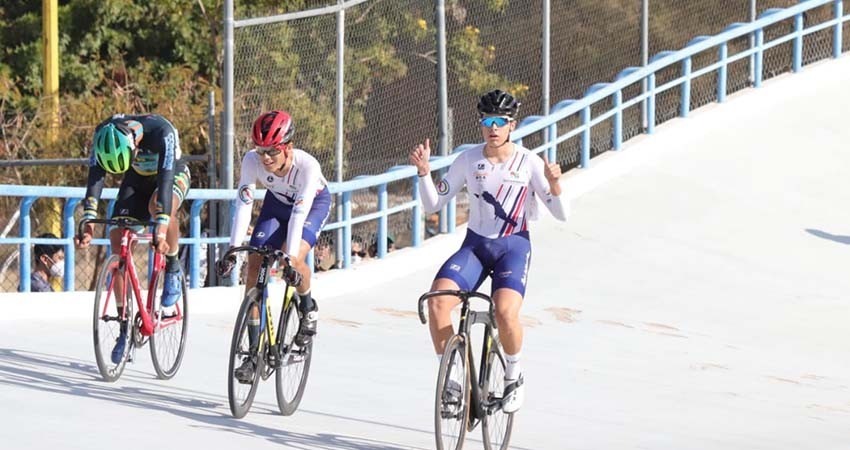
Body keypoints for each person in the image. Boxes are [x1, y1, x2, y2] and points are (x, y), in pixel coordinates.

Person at [409, 89, 568, 413]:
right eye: (486, 121)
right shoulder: (468, 159)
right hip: (476, 246)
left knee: (505, 311)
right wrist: (424, 174)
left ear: (512, 125)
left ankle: (513, 374)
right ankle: (453, 380)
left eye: (499, 122)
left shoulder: (528, 162)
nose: (492, 128)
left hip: (513, 247)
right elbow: (432, 204)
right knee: (438, 302)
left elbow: (561, 213)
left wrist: (554, 186)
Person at [216, 109, 331, 383]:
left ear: (288, 147)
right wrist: (234, 250)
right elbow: (244, 204)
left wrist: (289, 259)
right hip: (276, 204)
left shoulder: (308, 167)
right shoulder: (251, 161)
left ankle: (307, 308)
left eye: (272, 152)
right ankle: (252, 355)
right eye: (260, 151)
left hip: (312, 206)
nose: (265, 158)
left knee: (297, 257)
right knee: (255, 265)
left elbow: (299, 216)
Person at [75, 113, 191, 364]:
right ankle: (124, 327)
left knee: (159, 207)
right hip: (136, 179)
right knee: (117, 239)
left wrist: (160, 229)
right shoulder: (102, 134)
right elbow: (95, 181)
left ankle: (172, 265)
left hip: (170, 175)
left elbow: (166, 182)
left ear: (134, 144)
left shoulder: (162, 132)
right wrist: (88, 222)